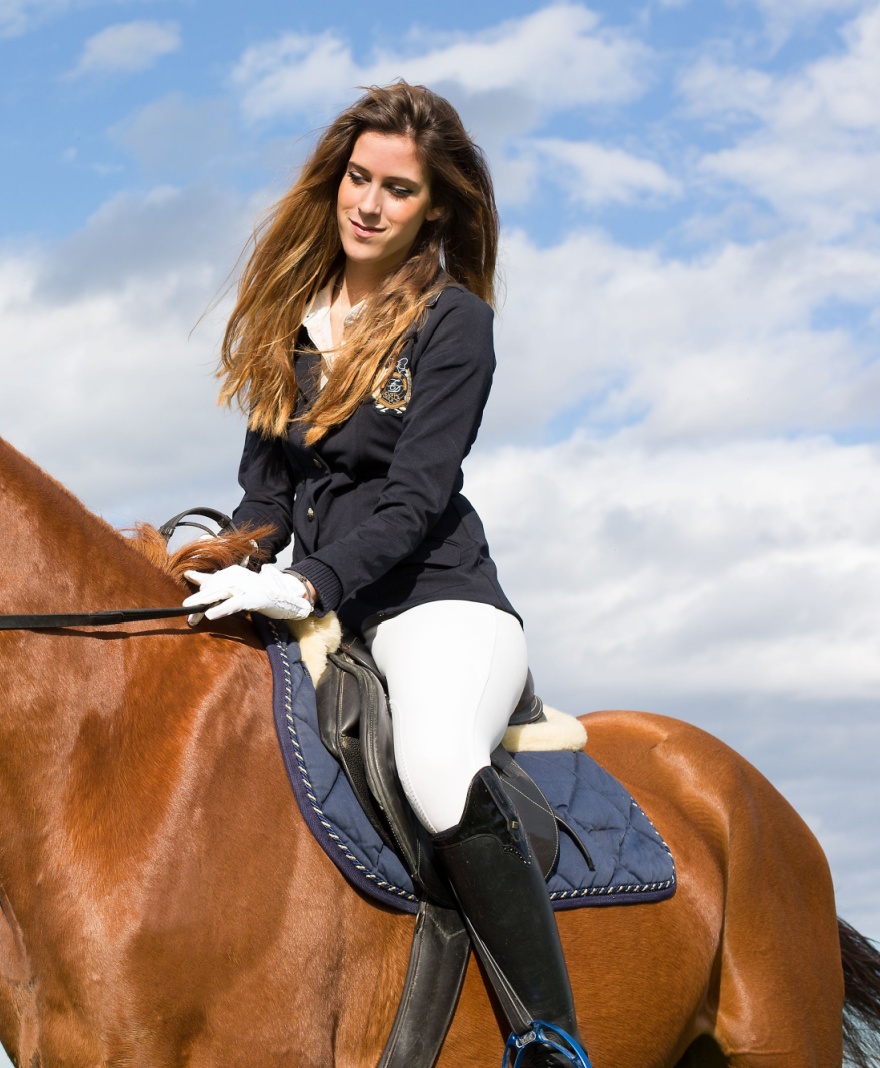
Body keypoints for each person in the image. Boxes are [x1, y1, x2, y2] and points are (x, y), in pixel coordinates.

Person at [182, 82, 588, 1067]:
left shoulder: (454, 325)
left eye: (395, 190)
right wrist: (212, 560)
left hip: (435, 602)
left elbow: (415, 499)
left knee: (436, 763)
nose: (367, 203)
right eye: (357, 179)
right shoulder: (292, 320)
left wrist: (307, 583)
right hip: (322, 608)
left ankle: (545, 1034)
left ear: (434, 210)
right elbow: (264, 505)